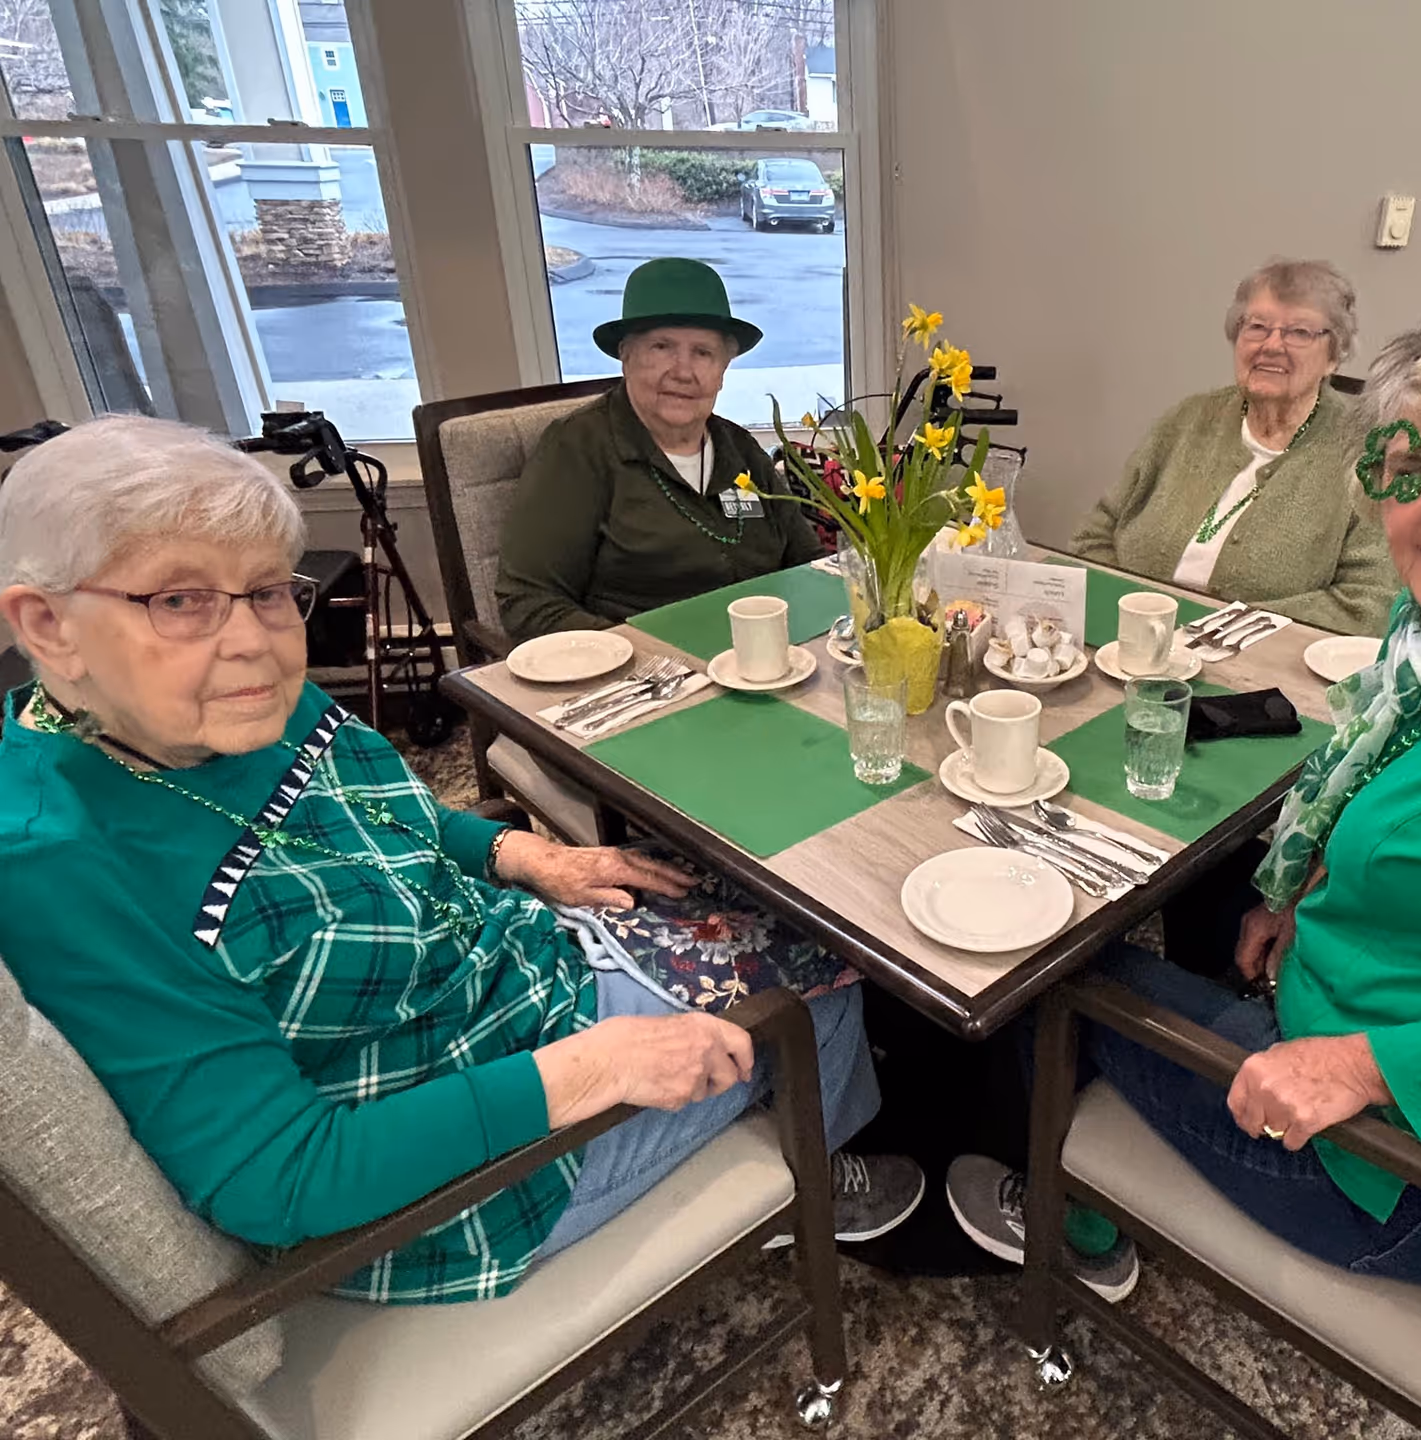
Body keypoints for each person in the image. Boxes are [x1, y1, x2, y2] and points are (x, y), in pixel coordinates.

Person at [0, 416, 921, 1305]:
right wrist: (592, 1072)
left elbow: (380, 817)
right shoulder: (63, 863)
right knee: (822, 975)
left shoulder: (211, 714)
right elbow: (279, 1179)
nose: (253, 640)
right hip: (460, 1173)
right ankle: (817, 1177)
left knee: (778, 901)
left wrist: (521, 853)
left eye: (269, 590)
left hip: (520, 975)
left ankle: (802, 1114)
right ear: (47, 625)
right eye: (178, 600)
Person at [951, 294, 1421, 1288]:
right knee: (1203, 889)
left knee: (1040, 980)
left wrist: (1357, 1067)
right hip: (1364, 1003)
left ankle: (1074, 1228)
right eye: (1409, 470)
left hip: (1415, 1175)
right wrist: (1302, 887)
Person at [496, 257, 825, 644]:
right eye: (662, 347)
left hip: (765, 659)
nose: (683, 371)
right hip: (643, 682)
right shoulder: (576, 450)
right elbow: (528, 602)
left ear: (723, 369)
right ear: (626, 356)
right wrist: (645, 658)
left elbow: (807, 563)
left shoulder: (740, 449)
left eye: (703, 352)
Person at [1070, 258, 1397, 636]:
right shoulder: (1187, 420)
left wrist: (1216, 633)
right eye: (1257, 327)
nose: (1272, 345)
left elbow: (1367, 603)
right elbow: (1094, 536)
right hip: (1122, 641)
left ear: (1334, 356)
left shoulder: (1363, 452)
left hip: (1260, 675)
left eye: (1299, 332)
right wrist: (1125, 619)